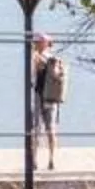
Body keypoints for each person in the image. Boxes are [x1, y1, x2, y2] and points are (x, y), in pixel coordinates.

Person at [29, 33, 67, 170]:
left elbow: (32, 74)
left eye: (37, 42)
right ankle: (51, 159)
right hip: (51, 98)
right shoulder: (54, 59)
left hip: (40, 96)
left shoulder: (38, 57)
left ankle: (36, 160)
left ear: (43, 43)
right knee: (50, 129)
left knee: (37, 129)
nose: (35, 44)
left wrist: (34, 55)